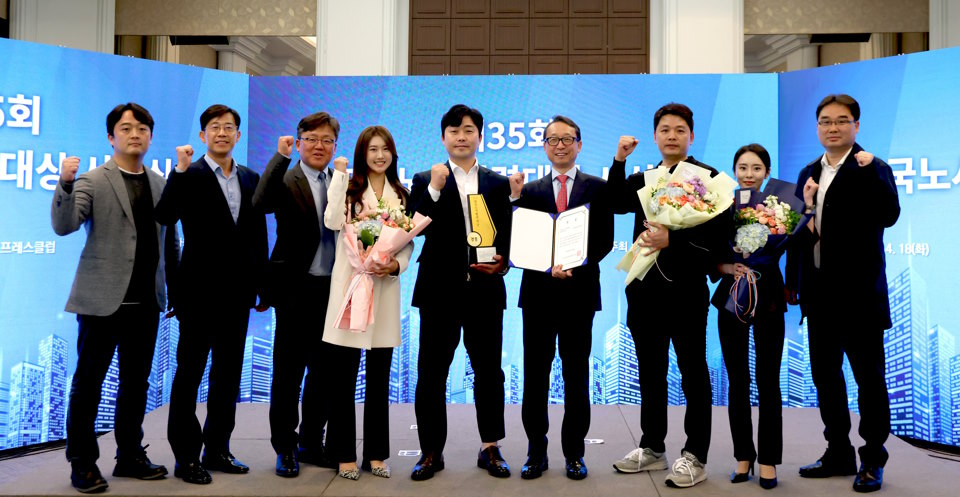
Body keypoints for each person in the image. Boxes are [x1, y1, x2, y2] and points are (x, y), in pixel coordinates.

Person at [52, 102, 176, 493]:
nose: (134, 134)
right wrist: (65, 184)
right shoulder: (92, 180)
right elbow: (64, 225)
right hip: (101, 302)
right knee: (88, 385)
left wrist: (172, 289)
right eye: (125, 128)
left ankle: (130, 456)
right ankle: (82, 463)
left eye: (142, 128)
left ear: (150, 136)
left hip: (146, 302)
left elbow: (168, 241)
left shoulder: (160, 183)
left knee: (135, 385)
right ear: (111, 137)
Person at [608, 103, 724, 488]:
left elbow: (717, 240)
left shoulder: (708, 179)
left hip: (687, 290)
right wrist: (619, 160)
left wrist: (673, 239)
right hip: (644, 290)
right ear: (655, 136)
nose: (672, 136)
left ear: (691, 136)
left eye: (679, 130)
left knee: (693, 372)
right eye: (665, 130)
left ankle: (695, 455)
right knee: (650, 372)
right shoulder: (644, 179)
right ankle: (652, 447)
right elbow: (614, 202)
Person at [787, 94, 899, 493]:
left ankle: (873, 458)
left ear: (856, 125)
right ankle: (838, 451)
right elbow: (797, 232)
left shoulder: (873, 166)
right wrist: (794, 282)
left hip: (860, 296)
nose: (832, 128)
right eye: (825, 121)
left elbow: (889, 215)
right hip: (819, 296)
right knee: (826, 378)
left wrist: (870, 176)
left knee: (869, 379)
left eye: (841, 120)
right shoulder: (808, 171)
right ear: (817, 127)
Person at [157, 104, 268, 485]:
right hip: (198, 294)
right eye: (215, 127)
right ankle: (186, 457)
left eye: (229, 127)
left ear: (238, 135)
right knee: (189, 375)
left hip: (238, 294)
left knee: (227, 376)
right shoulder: (189, 174)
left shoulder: (250, 177)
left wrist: (262, 285)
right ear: (203, 135)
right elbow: (165, 215)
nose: (223, 133)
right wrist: (178, 170)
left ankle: (218, 449)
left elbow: (258, 235)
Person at [406, 104, 513, 481]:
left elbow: (508, 234)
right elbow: (410, 226)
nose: (461, 137)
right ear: (443, 138)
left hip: (485, 290)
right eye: (454, 131)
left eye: (468, 130)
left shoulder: (497, 182)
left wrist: (504, 263)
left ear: (480, 137)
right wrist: (434, 190)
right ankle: (431, 452)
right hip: (438, 290)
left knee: (489, 372)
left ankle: (490, 447)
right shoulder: (425, 179)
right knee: (431, 374)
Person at [507, 115, 614, 481]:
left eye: (567, 139)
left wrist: (571, 263)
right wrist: (546, 266)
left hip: (579, 294)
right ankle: (536, 451)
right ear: (544, 147)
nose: (560, 145)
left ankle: (574, 454)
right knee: (535, 376)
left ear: (579, 145)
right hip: (538, 296)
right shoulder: (529, 191)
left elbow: (603, 241)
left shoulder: (598, 188)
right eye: (553, 140)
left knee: (576, 376)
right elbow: (519, 240)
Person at [711, 143, 814, 490]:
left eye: (756, 168)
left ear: (767, 173)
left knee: (769, 380)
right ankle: (743, 456)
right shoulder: (721, 206)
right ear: (734, 171)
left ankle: (768, 460)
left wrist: (807, 210)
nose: (749, 174)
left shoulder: (780, 208)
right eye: (742, 167)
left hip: (768, 294)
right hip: (732, 295)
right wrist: (728, 266)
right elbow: (711, 253)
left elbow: (795, 245)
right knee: (737, 380)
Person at [321, 125, 414, 481]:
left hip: (384, 290)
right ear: (362, 154)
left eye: (385, 149)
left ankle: (376, 454)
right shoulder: (348, 189)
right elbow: (332, 221)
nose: (379, 155)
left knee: (379, 380)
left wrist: (395, 264)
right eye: (372, 149)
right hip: (351, 289)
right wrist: (339, 176)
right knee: (341, 379)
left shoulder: (401, 194)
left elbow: (407, 242)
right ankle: (343, 454)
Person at [253, 112, 341, 477]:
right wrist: (280, 157)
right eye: (312, 139)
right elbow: (260, 203)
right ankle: (285, 448)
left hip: (332, 291)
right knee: (288, 375)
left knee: (323, 374)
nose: (320, 146)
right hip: (294, 291)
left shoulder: (340, 181)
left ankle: (311, 443)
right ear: (300, 141)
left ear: (335, 145)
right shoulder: (286, 178)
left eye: (327, 140)